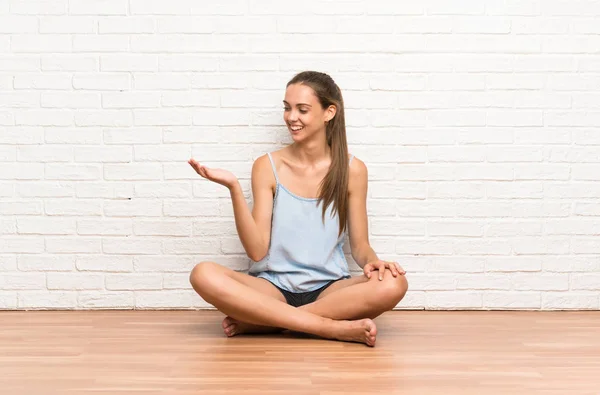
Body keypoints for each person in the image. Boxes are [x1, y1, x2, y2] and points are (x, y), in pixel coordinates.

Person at [188, 71, 408, 347]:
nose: (291, 117)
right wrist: (233, 187)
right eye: (287, 108)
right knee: (202, 274)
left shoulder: (353, 170)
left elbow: (361, 247)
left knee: (394, 282)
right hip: (272, 288)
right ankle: (329, 328)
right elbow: (257, 251)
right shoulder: (266, 166)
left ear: (329, 113)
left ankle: (269, 323)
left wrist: (374, 263)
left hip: (330, 289)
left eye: (302, 109)